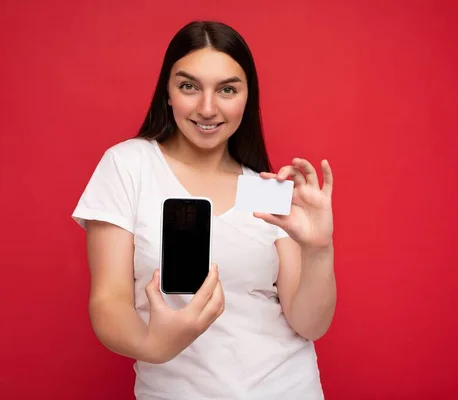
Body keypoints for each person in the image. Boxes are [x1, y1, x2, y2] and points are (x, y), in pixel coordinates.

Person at [71, 20, 336, 400]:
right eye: (189, 86)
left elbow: (309, 324)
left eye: (227, 89)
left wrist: (319, 249)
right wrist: (154, 346)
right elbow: (108, 301)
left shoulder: (265, 189)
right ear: (168, 92)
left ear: (247, 97)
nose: (207, 108)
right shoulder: (129, 165)